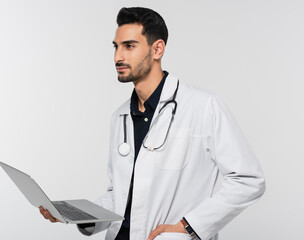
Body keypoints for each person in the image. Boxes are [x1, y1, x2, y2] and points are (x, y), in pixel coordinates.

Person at [39, 7, 266, 240]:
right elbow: (119, 193)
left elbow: (248, 180)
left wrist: (189, 226)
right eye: (116, 47)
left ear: (157, 49)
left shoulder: (203, 106)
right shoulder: (120, 117)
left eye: (129, 46)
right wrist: (79, 214)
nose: (118, 57)